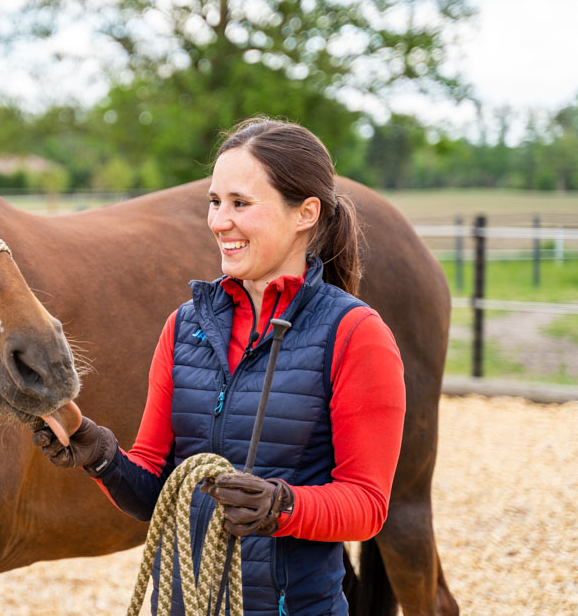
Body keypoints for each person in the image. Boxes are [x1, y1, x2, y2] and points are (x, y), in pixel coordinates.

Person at [33, 117, 406, 615]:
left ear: (306, 213)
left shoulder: (356, 334)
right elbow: (156, 496)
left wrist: (284, 506)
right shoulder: (183, 328)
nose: (218, 221)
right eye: (215, 201)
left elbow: (366, 506)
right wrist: (97, 451)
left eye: (240, 203)